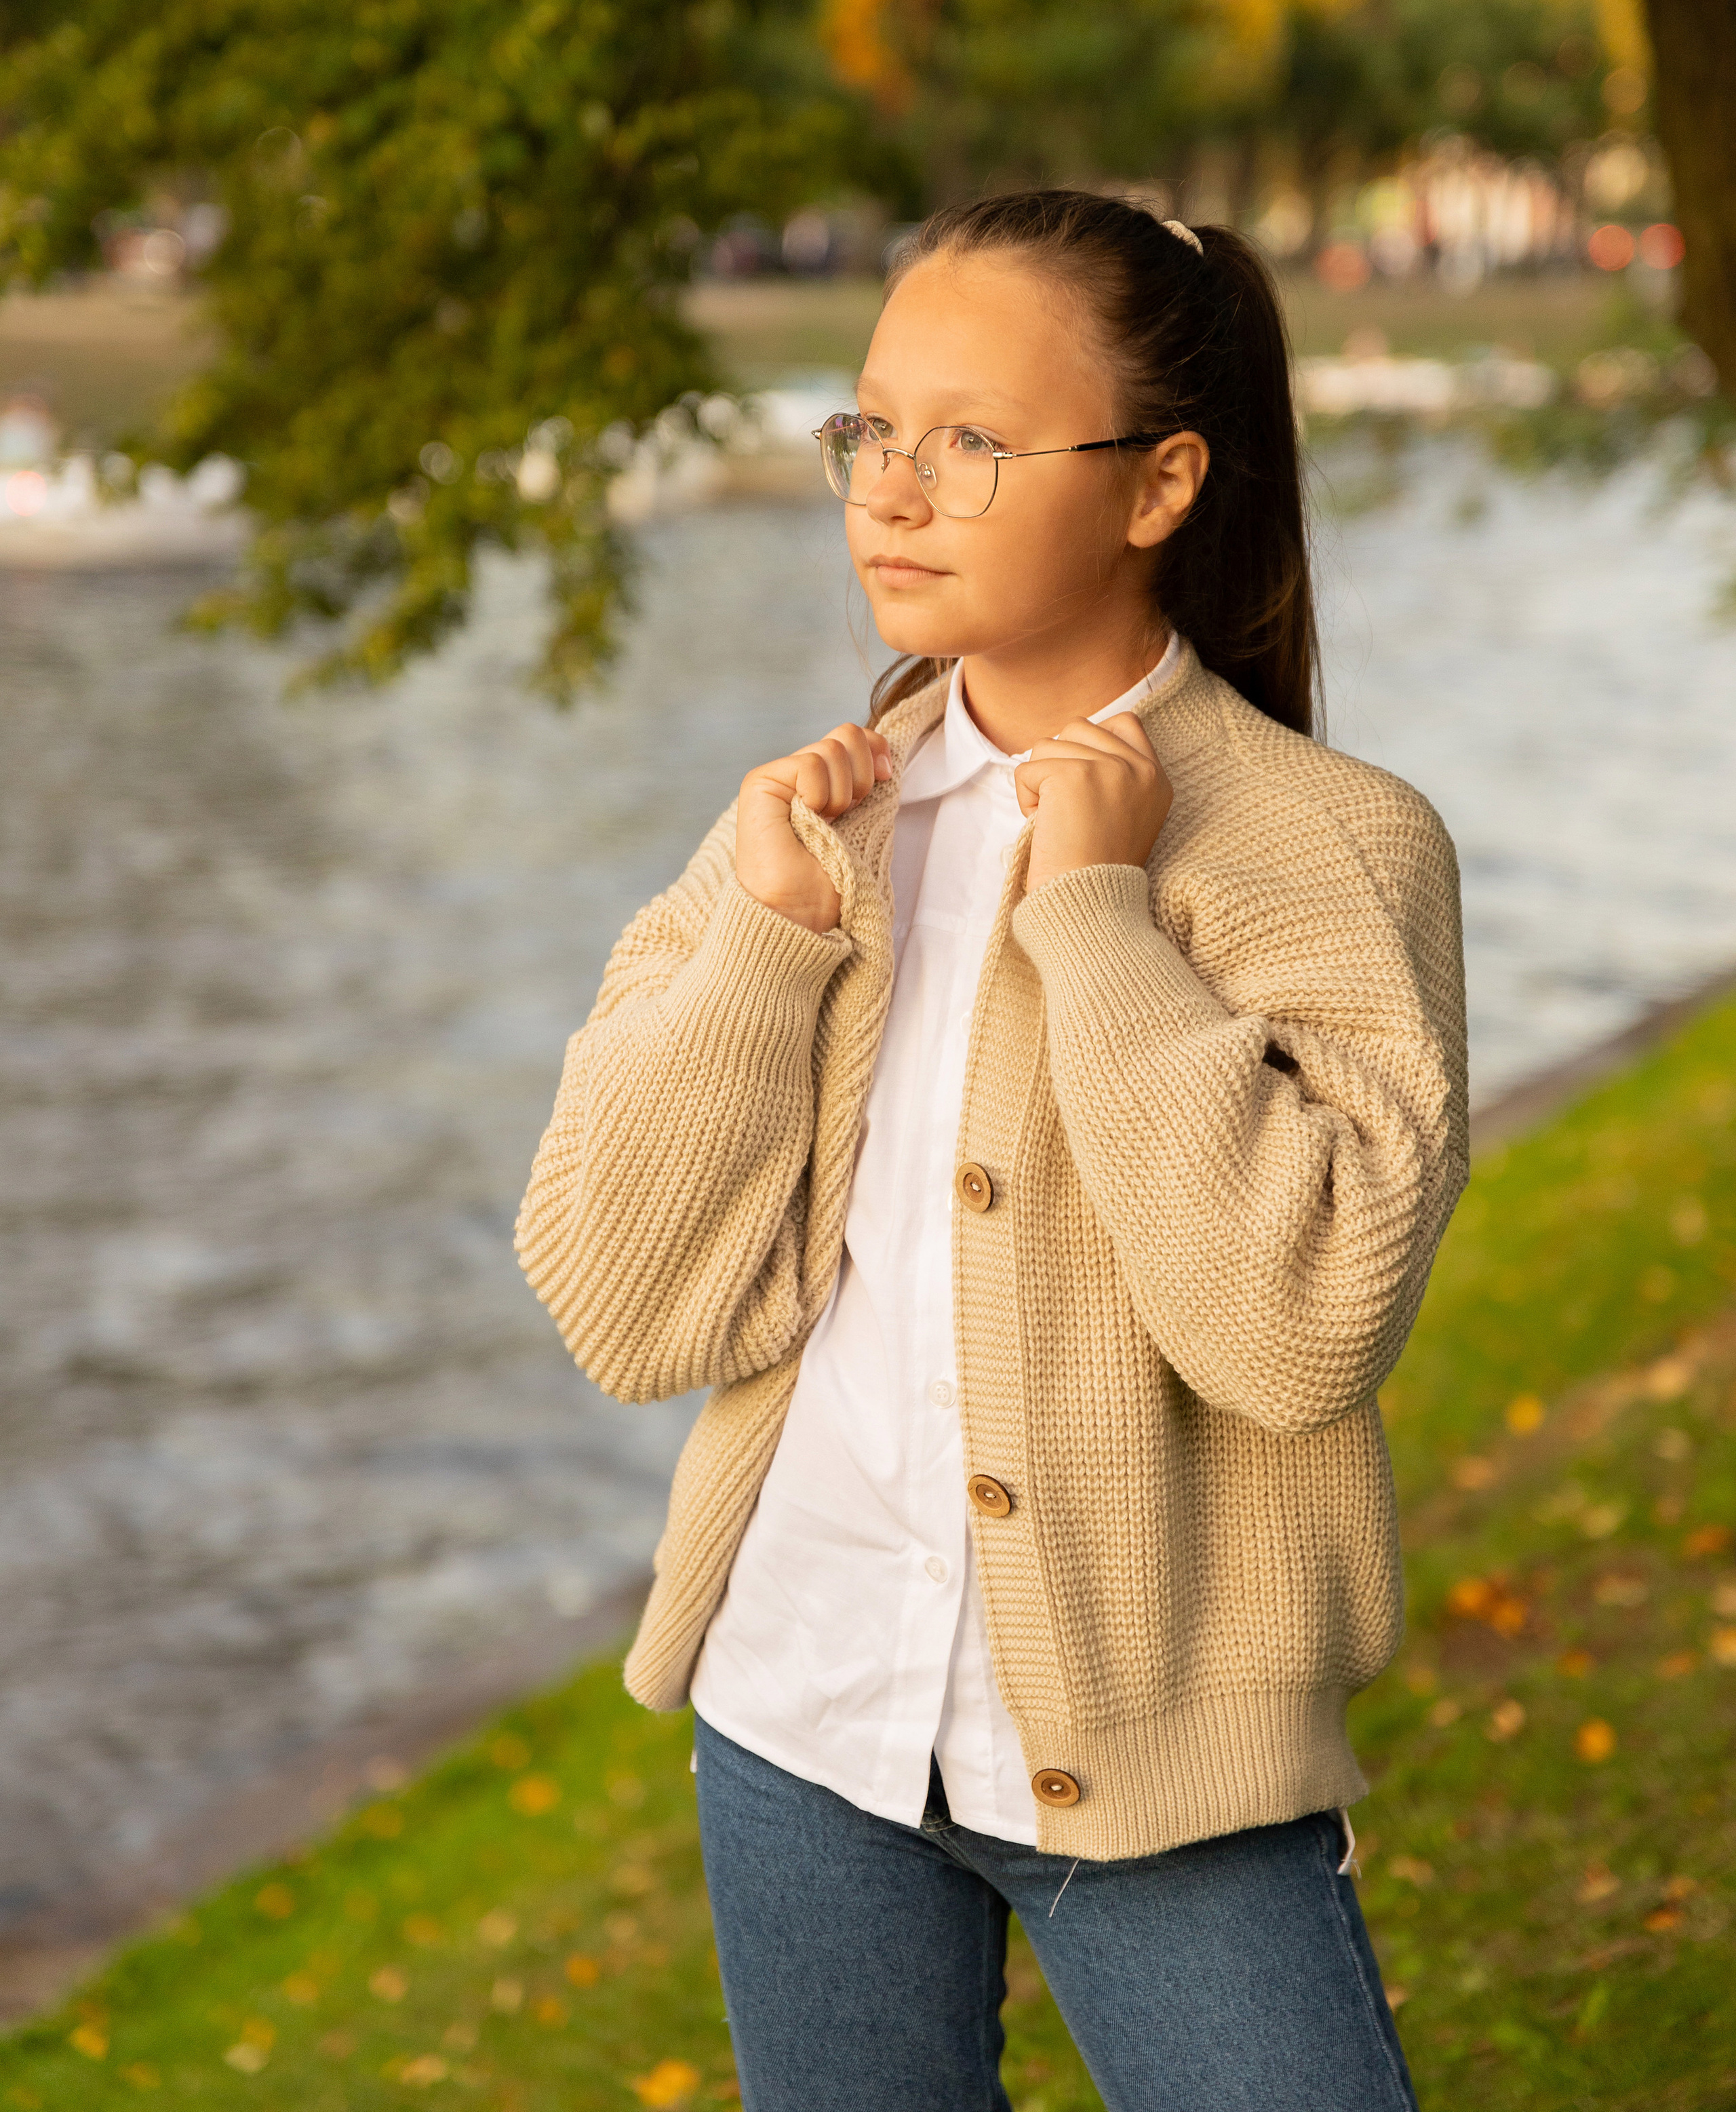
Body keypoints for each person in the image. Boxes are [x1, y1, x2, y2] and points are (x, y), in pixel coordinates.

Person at [516, 189, 1467, 2110]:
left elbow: (1296, 1332)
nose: (894, 489)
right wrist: (768, 950)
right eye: (871, 430)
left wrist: (1102, 924)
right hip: (796, 1722)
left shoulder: (1336, 847)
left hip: (1163, 1749)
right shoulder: (808, 829)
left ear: (1159, 483)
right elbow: (623, 1306)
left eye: (974, 440)